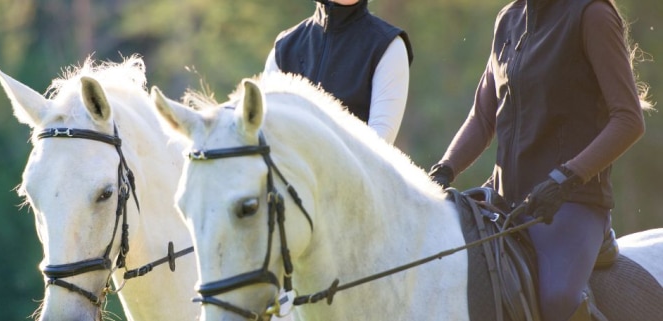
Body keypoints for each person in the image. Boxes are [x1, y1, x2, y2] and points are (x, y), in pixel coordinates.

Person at [428, 0, 651, 320]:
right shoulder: (508, 18)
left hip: (572, 201)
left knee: (558, 300)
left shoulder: (593, 14)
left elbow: (629, 120)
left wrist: (566, 177)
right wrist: (443, 171)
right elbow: (482, 119)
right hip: (503, 203)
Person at [263, 0, 413, 144]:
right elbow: (267, 131)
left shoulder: (389, 46)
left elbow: (379, 143)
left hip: (351, 169)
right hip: (289, 169)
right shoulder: (284, 47)